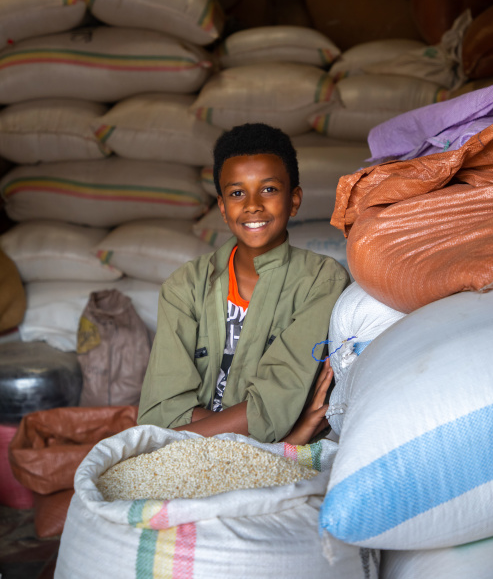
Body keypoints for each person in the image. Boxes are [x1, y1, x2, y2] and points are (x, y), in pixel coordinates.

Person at [138, 123, 349, 444]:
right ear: (222, 207)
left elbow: (275, 407)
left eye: (268, 189)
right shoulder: (185, 286)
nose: (252, 204)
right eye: (237, 193)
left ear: (294, 200)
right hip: (244, 450)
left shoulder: (321, 280)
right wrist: (282, 438)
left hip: (183, 447)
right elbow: (160, 411)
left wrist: (161, 443)